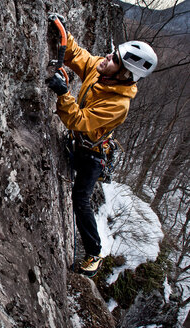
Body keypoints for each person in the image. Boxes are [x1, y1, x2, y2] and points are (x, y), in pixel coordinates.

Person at [47, 21, 158, 277]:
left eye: (115, 59)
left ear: (124, 74)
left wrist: (64, 94)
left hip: (93, 156)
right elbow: (80, 58)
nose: (108, 56)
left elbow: (80, 120)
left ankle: (93, 253)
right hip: (80, 146)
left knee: (81, 200)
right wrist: (63, 34)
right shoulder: (103, 71)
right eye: (113, 53)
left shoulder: (118, 105)